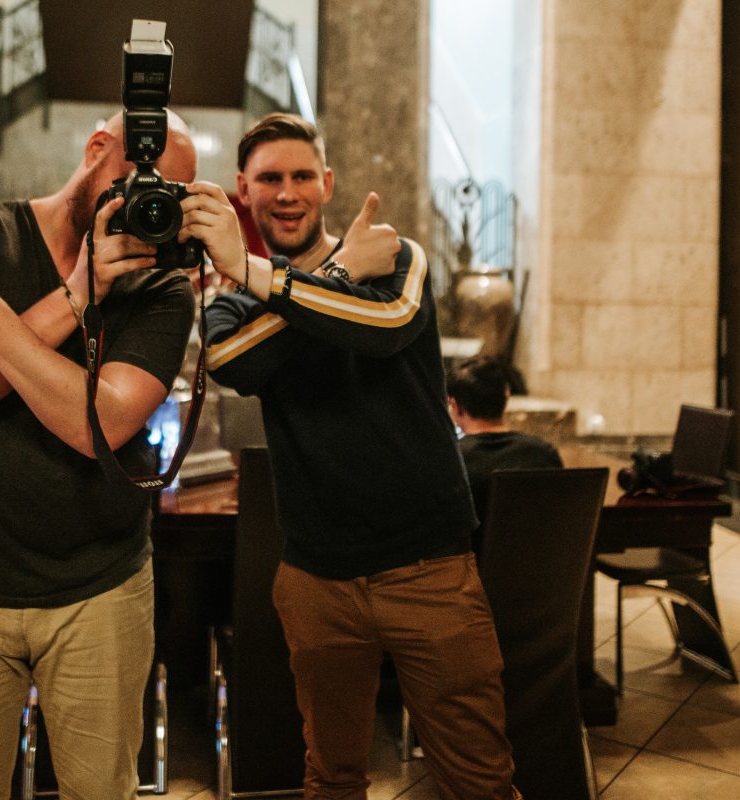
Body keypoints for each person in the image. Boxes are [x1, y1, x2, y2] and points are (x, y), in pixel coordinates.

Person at [181, 112, 520, 799]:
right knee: (331, 778)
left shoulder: (396, 255)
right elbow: (234, 362)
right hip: (316, 581)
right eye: (269, 179)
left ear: (327, 183)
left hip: (429, 570)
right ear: (243, 190)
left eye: (301, 176)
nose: (287, 192)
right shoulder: (231, 301)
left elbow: (386, 325)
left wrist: (272, 281)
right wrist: (333, 275)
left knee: (479, 781)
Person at [0, 111, 197, 798]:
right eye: (140, 177)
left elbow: (98, 424)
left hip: (101, 590)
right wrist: (75, 297)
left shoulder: (161, 285)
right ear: (96, 150)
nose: (149, 202)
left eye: (171, 193)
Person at [448, 354, 564, 556]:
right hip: (541, 570)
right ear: (506, 396)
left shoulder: (453, 462)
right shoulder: (545, 455)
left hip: (473, 573)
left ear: (455, 406)